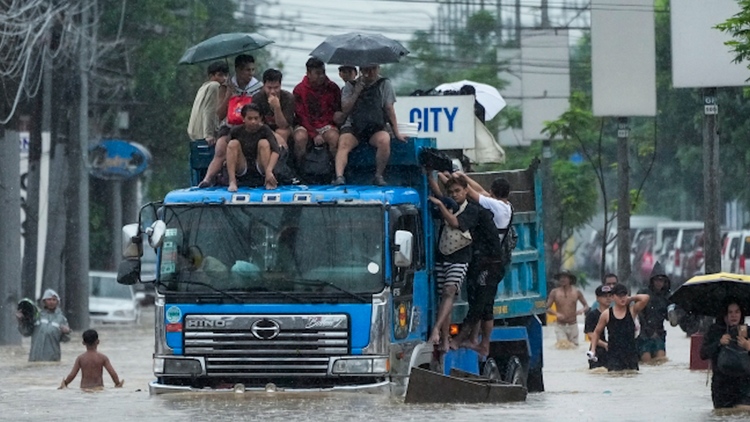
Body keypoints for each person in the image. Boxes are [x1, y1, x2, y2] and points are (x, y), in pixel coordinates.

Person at [449, 173, 512, 357]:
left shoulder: (494, 206)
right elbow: (479, 191)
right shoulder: (505, 206)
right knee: (486, 307)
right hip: (494, 261)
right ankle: (479, 342)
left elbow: (472, 193)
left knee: (479, 304)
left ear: (493, 193)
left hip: (489, 262)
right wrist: (464, 177)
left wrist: (455, 179)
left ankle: (462, 339)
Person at [426, 172, 480, 351]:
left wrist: (441, 205)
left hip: (460, 258)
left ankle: (436, 329)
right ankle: (445, 339)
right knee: (444, 297)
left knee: (450, 291)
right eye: (451, 192)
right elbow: (438, 192)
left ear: (466, 191)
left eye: (458, 191)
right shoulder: (449, 203)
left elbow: (455, 223)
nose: (455, 195)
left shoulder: (472, 209)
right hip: (443, 255)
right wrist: (429, 175)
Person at [333, 64, 407, 186]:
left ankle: (378, 175)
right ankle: (339, 176)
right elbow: (345, 108)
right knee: (344, 143)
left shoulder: (384, 84)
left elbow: (389, 108)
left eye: (374, 69)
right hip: (354, 126)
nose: (371, 72)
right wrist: (356, 92)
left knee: (384, 140)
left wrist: (396, 132)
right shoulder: (350, 85)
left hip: (375, 126)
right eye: (367, 69)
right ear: (361, 71)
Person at [199, 54, 262, 188]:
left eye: (252, 70)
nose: (250, 74)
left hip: (250, 126)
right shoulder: (225, 87)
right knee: (221, 147)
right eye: (247, 70)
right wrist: (229, 95)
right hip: (230, 126)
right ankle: (208, 178)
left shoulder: (258, 88)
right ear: (238, 70)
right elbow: (219, 115)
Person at [292, 58, 341, 170]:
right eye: (317, 73)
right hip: (305, 124)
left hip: (326, 124)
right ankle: (299, 171)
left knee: (334, 138)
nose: (321, 76)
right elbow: (301, 116)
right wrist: (313, 134)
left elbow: (337, 109)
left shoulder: (333, 88)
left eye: (323, 72)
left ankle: (335, 171)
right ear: (308, 73)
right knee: (300, 138)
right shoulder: (299, 90)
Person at [700, 299, 750, 409]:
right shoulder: (715, 330)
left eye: (737, 312)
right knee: (724, 416)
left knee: (743, 413)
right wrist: (719, 343)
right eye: (730, 312)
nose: (734, 316)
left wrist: (748, 346)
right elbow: (703, 354)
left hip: (745, 385)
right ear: (725, 314)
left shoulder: (747, 331)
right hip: (722, 386)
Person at [588, 283, 650, 371]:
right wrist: (593, 350)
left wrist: (631, 298)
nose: (622, 298)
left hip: (630, 354)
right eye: (619, 296)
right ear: (613, 297)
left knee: (632, 377)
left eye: (624, 295)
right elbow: (596, 333)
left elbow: (646, 298)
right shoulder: (606, 314)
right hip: (614, 355)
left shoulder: (632, 310)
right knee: (615, 377)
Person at [225, 103, 280, 191]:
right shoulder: (236, 131)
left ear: (260, 119)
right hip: (243, 166)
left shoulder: (265, 130)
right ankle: (232, 181)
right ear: (243, 118)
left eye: (256, 118)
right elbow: (229, 150)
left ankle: (268, 181)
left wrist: (269, 170)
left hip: (261, 166)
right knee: (233, 144)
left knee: (264, 143)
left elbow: (276, 151)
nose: (253, 121)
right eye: (250, 118)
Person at [16, 288, 70, 362]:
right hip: (35, 358)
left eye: (54, 300)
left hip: (52, 359)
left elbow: (66, 339)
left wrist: (67, 332)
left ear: (58, 302)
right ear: (44, 301)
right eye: (49, 299)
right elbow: (26, 333)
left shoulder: (62, 319)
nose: (51, 302)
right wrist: (21, 321)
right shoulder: (37, 316)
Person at [59, 329, 124, 390]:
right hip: (99, 388)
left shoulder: (80, 358)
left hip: (84, 389)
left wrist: (65, 383)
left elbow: (72, 375)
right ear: (98, 342)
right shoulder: (103, 357)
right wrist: (117, 383)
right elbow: (112, 373)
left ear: (83, 343)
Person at [252, 68, 295, 150]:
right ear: (264, 86)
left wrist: (277, 107)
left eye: (276, 88)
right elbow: (257, 122)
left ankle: (281, 159)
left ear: (280, 85)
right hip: (264, 128)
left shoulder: (288, 97)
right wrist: (272, 134)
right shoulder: (257, 98)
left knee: (281, 132)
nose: (273, 91)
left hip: (285, 128)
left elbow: (283, 125)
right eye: (269, 88)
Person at [637, 261, 671, 363]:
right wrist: (649, 331)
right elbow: (639, 314)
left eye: (662, 280)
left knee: (661, 359)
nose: (659, 283)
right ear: (652, 280)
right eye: (657, 280)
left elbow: (669, 317)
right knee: (646, 360)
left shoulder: (667, 296)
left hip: (659, 332)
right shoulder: (643, 293)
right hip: (644, 334)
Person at [546, 270, 589, 347]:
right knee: (562, 346)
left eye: (565, 277)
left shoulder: (577, 292)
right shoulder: (554, 292)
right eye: (561, 277)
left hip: (573, 325)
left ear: (570, 279)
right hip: (560, 326)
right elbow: (547, 308)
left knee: (574, 347)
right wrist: (556, 314)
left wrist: (581, 310)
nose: (562, 279)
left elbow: (586, 306)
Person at [584, 285, 612, 370]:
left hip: (612, 350)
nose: (608, 298)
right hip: (597, 350)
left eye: (610, 296)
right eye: (604, 296)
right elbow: (590, 334)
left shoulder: (616, 313)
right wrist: (604, 344)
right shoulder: (592, 315)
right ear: (597, 298)